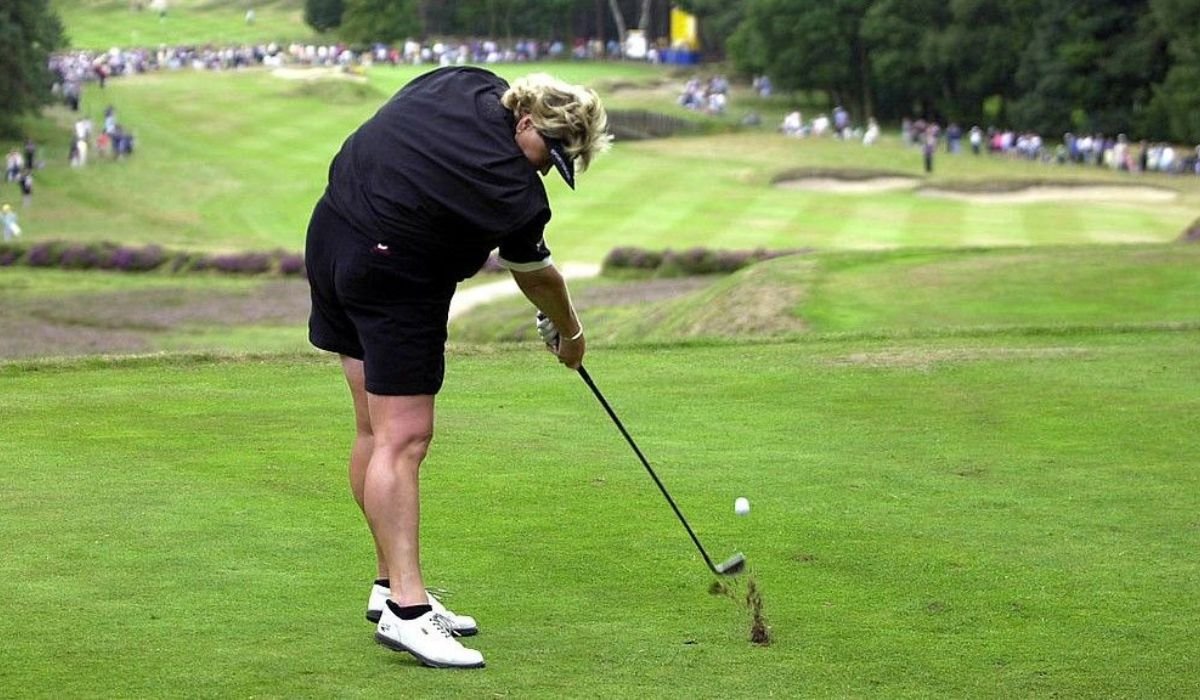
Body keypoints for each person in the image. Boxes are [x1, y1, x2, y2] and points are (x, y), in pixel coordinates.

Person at [304, 66, 610, 669]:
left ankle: (390, 585)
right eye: (549, 153)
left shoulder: (462, 82)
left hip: (332, 236)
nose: (546, 169)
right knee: (405, 439)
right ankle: (410, 615)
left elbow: (398, 126)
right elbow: (538, 276)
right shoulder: (515, 193)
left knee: (373, 430)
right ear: (527, 121)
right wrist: (570, 334)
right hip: (394, 273)